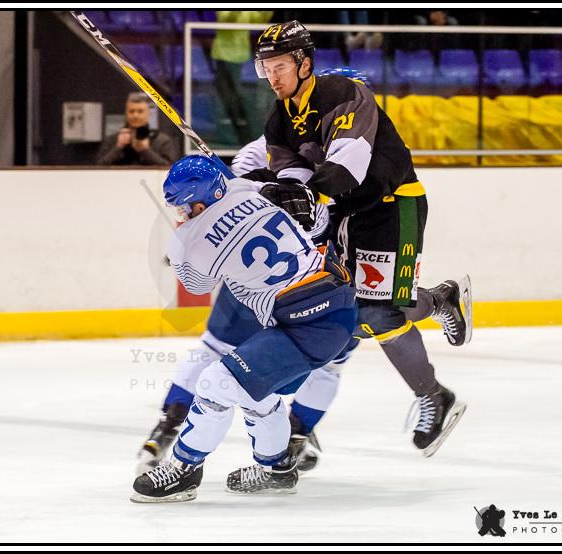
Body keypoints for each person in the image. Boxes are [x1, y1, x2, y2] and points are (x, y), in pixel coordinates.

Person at [253, 20, 469, 456]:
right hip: (345, 214)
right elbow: (294, 175)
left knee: (375, 312)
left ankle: (434, 396)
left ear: (304, 63)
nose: (272, 76)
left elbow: (348, 165)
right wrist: (281, 190)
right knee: (346, 312)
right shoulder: (280, 120)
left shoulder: (343, 94)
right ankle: (437, 300)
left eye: (280, 66)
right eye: (266, 68)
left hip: (391, 205)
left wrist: (307, 195)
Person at [131, 155, 357, 502]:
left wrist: (180, 248)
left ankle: (183, 470)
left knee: (215, 381)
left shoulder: (193, 237)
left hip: (307, 323)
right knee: (256, 391)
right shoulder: (249, 189)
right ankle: (276, 469)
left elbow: (197, 285)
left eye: (184, 207)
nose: (182, 213)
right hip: (332, 302)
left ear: (200, 201)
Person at [210, 11, 273, 144]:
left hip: (240, 56)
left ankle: (238, 136)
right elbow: (226, 17)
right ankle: (225, 137)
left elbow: (259, 19)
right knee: (225, 96)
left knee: (236, 95)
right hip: (224, 55)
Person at [95, 92, 180, 166]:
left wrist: (145, 151)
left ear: (148, 114)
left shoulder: (162, 141)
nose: (135, 115)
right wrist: (118, 147)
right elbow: (97, 167)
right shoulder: (112, 140)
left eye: (140, 111)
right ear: (126, 114)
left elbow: (169, 169)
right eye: (131, 111)